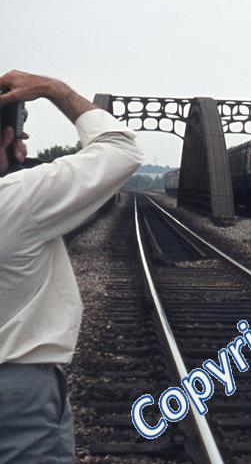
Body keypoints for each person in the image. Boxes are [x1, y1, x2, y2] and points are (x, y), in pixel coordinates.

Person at [0, 70, 144, 463]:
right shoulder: (17, 199)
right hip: (16, 393)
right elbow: (121, 149)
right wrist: (55, 90)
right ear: (9, 137)